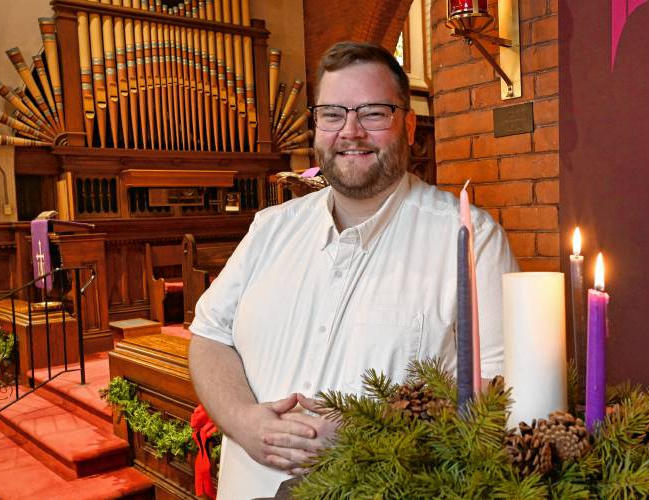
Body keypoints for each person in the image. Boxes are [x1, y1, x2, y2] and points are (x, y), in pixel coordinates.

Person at [189, 41, 518, 499]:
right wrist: (243, 420)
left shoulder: (470, 240)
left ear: (409, 125)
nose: (351, 131)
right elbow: (209, 337)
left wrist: (365, 437)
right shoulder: (270, 229)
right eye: (333, 114)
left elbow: (500, 396)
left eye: (373, 113)